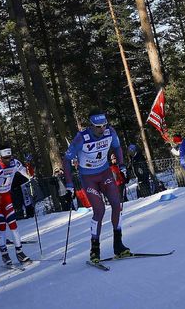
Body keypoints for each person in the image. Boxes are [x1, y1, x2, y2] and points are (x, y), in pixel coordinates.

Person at [62, 109, 131, 263]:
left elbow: (117, 147)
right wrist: (69, 185)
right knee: (99, 211)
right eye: (98, 126)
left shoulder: (110, 132)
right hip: (88, 178)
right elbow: (66, 159)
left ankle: (118, 245)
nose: (102, 129)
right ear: (91, 125)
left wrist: (122, 166)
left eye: (104, 125)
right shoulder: (81, 138)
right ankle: (95, 250)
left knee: (117, 205)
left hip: (105, 173)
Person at [0, 146, 32, 265]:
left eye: (9, 157)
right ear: (0, 157)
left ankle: (19, 252)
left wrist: (29, 164)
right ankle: (4, 253)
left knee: (13, 225)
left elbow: (29, 175)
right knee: (2, 227)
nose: (8, 160)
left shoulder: (15, 163)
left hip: (6, 197)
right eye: (5, 158)